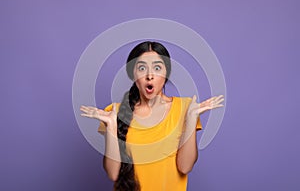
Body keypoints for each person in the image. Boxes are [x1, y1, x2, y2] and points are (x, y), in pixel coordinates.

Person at [80, 41, 224, 191]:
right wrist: (111, 126)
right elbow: (113, 174)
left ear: (166, 73)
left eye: (157, 68)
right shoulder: (114, 112)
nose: (150, 76)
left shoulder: (186, 109)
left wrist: (192, 118)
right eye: (142, 68)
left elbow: (185, 167)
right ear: (133, 74)